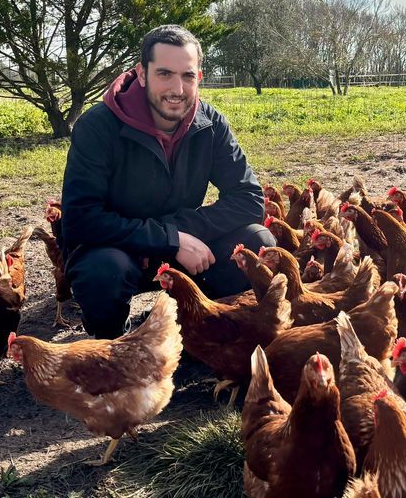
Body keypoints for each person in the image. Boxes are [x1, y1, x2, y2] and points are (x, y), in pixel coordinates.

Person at [59, 25, 274, 338]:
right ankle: (114, 343)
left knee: (257, 240)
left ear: (199, 77)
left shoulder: (211, 124)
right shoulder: (98, 126)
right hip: (119, 247)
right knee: (102, 272)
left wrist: (179, 234)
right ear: (142, 74)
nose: (177, 88)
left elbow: (249, 199)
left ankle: (202, 329)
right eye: (164, 74)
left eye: (187, 76)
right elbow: (81, 219)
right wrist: (168, 239)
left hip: (185, 243)